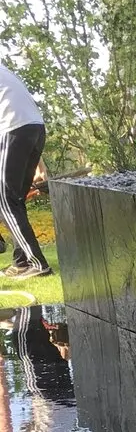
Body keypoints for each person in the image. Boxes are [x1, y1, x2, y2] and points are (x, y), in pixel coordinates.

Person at [0, 62, 52, 279]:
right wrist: (41, 165)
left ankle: (37, 264)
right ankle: (21, 262)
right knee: (15, 200)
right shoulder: (4, 71)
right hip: (34, 128)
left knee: (4, 200)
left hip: (13, 128)